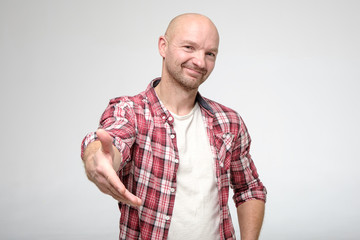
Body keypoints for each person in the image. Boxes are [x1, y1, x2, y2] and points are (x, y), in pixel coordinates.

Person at [81, 13, 267, 240]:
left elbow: (249, 189)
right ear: (163, 46)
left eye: (210, 54)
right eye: (189, 47)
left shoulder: (229, 122)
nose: (200, 62)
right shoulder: (130, 111)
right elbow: (111, 140)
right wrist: (97, 158)